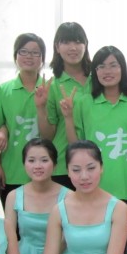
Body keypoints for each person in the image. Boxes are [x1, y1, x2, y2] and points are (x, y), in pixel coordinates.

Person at [61, 45, 127, 217]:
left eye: (113, 65)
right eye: (101, 66)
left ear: (122, 69)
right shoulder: (84, 103)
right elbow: (76, 147)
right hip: (91, 184)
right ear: (95, 72)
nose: (107, 71)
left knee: (122, 234)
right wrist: (67, 117)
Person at [0, 33, 47, 207]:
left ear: (42, 59)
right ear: (15, 55)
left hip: (45, 172)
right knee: (12, 221)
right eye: (23, 51)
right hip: (12, 170)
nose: (29, 56)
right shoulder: (2, 91)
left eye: (35, 52)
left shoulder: (50, 89)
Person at [36, 22, 92, 189]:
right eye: (66, 42)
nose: (73, 48)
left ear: (86, 45)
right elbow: (48, 136)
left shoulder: (99, 79)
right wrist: (41, 108)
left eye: (78, 42)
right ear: (57, 47)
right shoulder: (53, 85)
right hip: (64, 165)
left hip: (97, 162)